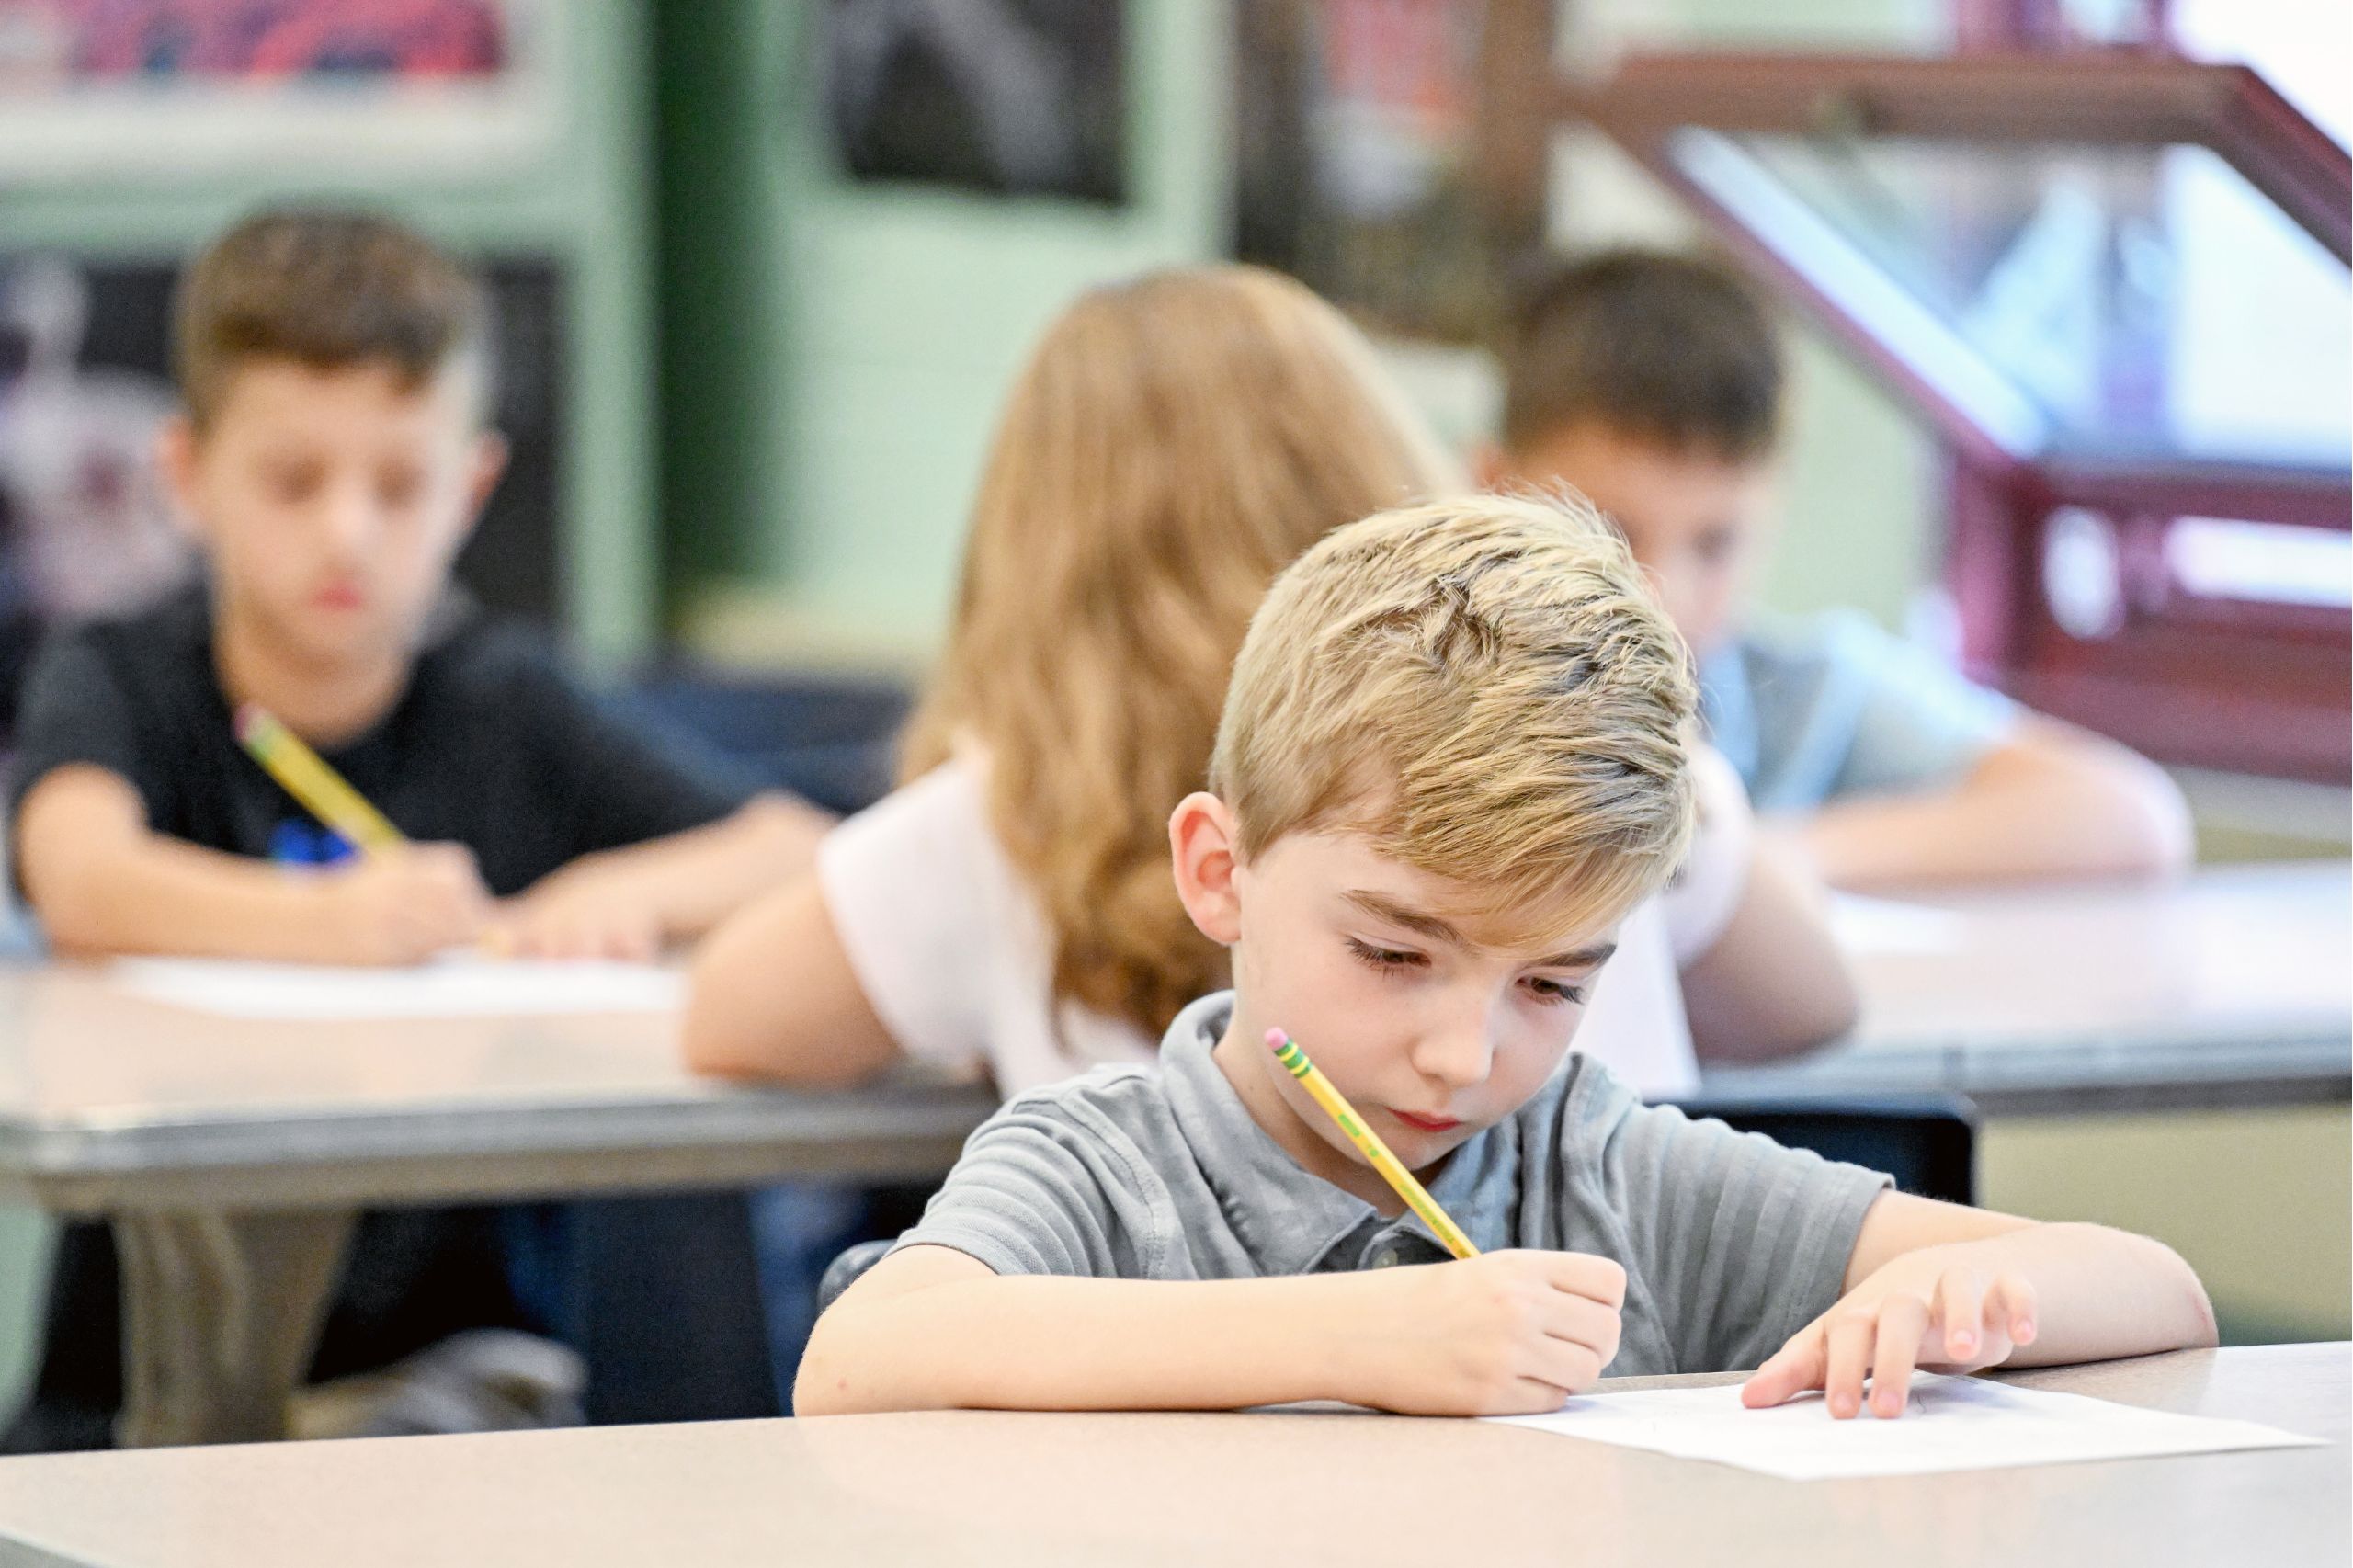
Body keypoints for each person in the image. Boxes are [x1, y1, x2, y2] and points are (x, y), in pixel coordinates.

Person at [794, 494, 2216, 1418]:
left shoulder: (1592, 1166)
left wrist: (1956, 1296)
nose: (1465, 1057)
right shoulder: (1101, 1161)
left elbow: (2155, 1285)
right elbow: (861, 1359)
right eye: (1395, 953)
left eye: (1550, 985)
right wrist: (1360, 1336)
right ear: (1220, 872)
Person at [3, 208, 827, 1449]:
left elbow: (796, 847)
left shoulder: (505, 701)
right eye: (292, 480)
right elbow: (78, 873)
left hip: (460, 1389)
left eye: (399, 484)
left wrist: (621, 890)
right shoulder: (120, 676)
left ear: (473, 486)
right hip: (134, 1397)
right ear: (185, 476)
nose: (347, 531)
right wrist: (319, 920)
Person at [686, 266, 1853, 1119]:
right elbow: (1807, 1003)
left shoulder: (1009, 822)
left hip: (1185, 1426)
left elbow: (731, 1020)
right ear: (1382, 463)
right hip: (1605, 1381)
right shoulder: (1588, 731)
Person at [1478, 248, 2192, 891]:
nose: (1660, 596)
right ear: (1492, 488)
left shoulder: (1805, 699)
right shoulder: (1429, 692)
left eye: (1716, 543)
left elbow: (2132, 818)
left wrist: (1736, 862)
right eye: (1608, 533)